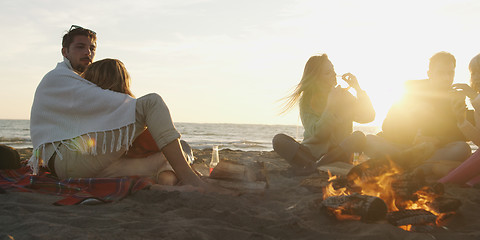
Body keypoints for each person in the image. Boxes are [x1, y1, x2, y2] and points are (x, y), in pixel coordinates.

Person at [29, 25, 227, 193]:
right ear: (65, 52)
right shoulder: (59, 79)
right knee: (151, 103)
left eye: (92, 48)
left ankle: (170, 183)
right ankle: (191, 180)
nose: (88, 53)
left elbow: (100, 110)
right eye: (80, 47)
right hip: (69, 160)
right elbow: (112, 102)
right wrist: (142, 114)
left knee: (170, 154)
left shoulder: (75, 83)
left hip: (84, 165)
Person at [365, 52, 471, 177]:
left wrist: (437, 140)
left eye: (450, 73)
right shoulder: (410, 89)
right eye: (441, 73)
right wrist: (411, 116)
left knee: (463, 148)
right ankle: (418, 166)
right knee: (369, 140)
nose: (447, 78)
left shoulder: (456, 96)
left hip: (433, 151)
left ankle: (404, 165)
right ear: (429, 74)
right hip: (404, 147)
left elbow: (461, 134)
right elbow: (387, 126)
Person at [272, 54, 375, 174]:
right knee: (279, 140)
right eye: (328, 73)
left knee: (359, 136)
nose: (334, 75)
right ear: (317, 78)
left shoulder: (345, 95)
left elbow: (368, 116)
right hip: (312, 153)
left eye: (333, 70)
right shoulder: (307, 100)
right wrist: (330, 106)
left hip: (339, 153)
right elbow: (318, 134)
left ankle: (315, 166)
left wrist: (358, 89)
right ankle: (315, 164)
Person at [438, 53, 480, 186]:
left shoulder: (477, 101)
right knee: (470, 183)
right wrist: (462, 121)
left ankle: (442, 183)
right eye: (474, 73)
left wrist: (474, 97)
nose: (477, 77)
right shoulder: (477, 103)